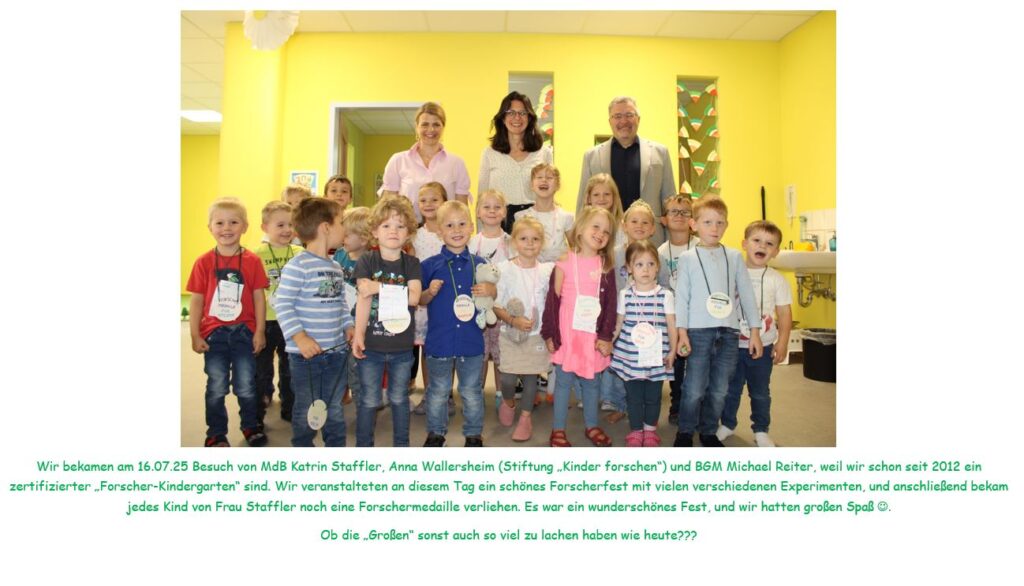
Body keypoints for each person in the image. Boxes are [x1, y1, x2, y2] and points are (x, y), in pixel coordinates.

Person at [674, 195, 762, 447]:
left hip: (729, 332)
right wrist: (682, 332)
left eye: (720, 222)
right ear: (694, 224)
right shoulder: (688, 258)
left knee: (720, 388)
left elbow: (746, 294)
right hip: (698, 332)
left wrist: (755, 331)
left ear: (726, 225)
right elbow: (682, 297)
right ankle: (685, 431)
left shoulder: (734, 257)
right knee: (694, 387)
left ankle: (709, 431)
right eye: (707, 222)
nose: (714, 228)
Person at [187, 197, 269, 448]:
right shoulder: (203, 262)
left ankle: (250, 425)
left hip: (245, 333)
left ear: (245, 226)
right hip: (214, 334)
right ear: (210, 227)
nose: (226, 228)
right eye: (219, 223)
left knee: (246, 385)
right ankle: (216, 433)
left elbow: (259, 297)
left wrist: (260, 331)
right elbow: (197, 301)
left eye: (233, 222)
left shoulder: (253, 261)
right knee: (216, 386)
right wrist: (195, 334)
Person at [273, 198, 354, 447]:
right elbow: (282, 304)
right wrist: (300, 337)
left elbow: (340, 302)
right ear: (326, 227)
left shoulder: (336, 267)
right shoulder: (298, 266)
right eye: (341, 222)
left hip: (336, 351)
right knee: (307, 408)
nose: (345, 229)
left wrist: (348, 325)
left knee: (334, 406)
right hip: (305, 356)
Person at [418, 201, 497, 447]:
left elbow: (492, 294)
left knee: (472, 391)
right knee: (437, 391)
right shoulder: (429, 265)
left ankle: (473, 434)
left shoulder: (481, 264)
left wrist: (490, 290)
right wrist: (429, 292)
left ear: (472, 227)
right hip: (439, 341)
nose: (456, 230)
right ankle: (436, 433)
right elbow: (419, 299)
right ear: (439, 230)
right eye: (449, 225)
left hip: (471, 342)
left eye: (462, 224)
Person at [541, 207, 618, 447]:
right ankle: (558, 429)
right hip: (568, 332)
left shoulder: (606, 265)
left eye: (606, 231)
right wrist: (549, 333)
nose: (601, 233)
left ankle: (592, 425)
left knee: (592, 382)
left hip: (593, 334)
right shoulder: (564, 261)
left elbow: (611, 303)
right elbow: (552, 300)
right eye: (596, 226)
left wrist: (606, 336)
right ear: (581, 228)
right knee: (563, 382)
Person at [351, 196, 422, 447]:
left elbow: (414, 298)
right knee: (369, 400)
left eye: (400, 226)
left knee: (399, 399)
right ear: (374, 231)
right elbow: (363, 299)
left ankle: (401, 446)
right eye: (386, 225)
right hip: (371, 346)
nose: (393, 231)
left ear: (409, 233)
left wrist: (378, 287)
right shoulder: (367, 261)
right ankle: (364, 448)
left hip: (401, 347)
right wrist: (358, 334)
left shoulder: (411, 263)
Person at [717, 221, 793, 448]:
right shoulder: (731, 273)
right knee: (730, 390)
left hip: (764, 346)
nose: (762, 246)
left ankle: (761, 429)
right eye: (757, 240)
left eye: (769, 244)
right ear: (744, 244)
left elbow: (784, 313)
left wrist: (782, 342)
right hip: (732, 345)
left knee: (760, 392)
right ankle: (727, 424)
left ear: (776, 251)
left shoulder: (776, 279)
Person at [577, 96, 676, 245]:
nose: (624, 121)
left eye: (629, 115)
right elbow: (583, 203)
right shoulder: (592, 156)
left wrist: (671, 243)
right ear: (610, 121)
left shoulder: (660, 153)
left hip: (650, 240)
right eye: (617, 116)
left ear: (638, 119)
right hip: (605, 239)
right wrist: (580, 242)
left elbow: (669, 200)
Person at [610, 240, 677, 447]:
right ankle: (636, 431)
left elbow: (672, 325)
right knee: (634, 397)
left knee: (653, 397)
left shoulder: (666, 295)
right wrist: (609, 342)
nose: (645, 269)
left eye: (650, 264)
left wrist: (673, 351)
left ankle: (650, 431)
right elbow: (618, 323)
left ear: (658, 267)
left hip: (656, 358)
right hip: (630, 358)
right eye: (639, 264)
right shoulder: (625, 295)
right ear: (629, 268)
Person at [493, 217, 554, 442]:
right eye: (524, 238)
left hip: (536, 335)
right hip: (510, 334)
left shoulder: (547, 270)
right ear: (514, 242)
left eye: (535, 239)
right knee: (508, 378)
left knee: (531, 379)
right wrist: (513, 320)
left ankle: (525, 418)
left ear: (542, 243)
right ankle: (508, 401)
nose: (530, 243)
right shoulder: (504, 269)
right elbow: (495, 305)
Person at [254, 201, 304, 424]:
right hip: (265, 320)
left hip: (292, 320)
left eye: (291, 225)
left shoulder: (300, 253)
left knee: (290, 367)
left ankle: (289, 406)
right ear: (265, 227)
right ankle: (259, 406)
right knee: (261, 368)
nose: (287, 230)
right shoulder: (256, 255)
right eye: (280, 225)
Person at [380, 101, 470, 221]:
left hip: (447, 231)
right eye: (425, 124)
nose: (431, 129)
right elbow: (387, 208)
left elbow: (462, 211)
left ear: (443, 128)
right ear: (417, 127)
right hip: (407, 230)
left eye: (436, 124)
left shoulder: (457, 163)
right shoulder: (398, 161)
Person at [478, 91, 554, 233]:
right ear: (503, 117)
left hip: (535, 226)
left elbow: (549, 195)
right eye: (511, 112)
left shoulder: (544, 153)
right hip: (499, 225)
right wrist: (481, 235)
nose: (517, 117)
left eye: (522, 113)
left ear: (529, 118)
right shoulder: (489, 153)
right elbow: (482, 198)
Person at [657, 194, 700, 424]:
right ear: (664, 219)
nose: (680, 216)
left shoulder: (701, 246)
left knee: (699, 362)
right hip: (673, 317)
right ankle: (677, 404)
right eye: (674, 211)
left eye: (685, 212)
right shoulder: (660, 252)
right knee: (677, 362)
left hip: (698, 316)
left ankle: (699, 405)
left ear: (693, 220)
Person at [468, 189, 513, 402]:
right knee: (480, 352)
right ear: (478, 212)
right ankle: (477, 393)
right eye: (486, 207)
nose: (492, 211)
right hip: (478, 309)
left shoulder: (511, 242)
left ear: (504, 212)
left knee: (501, 353)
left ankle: (501, 395)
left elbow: (516, 274)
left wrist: (497, 290)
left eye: (497, 207)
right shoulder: (471, 242)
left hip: (502, 308)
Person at [410, 182, 449, 415]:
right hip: (424, 301)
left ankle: (447, 395)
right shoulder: (415, 236)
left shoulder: (451, 231)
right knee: (427, 349)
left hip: (447, 300)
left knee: (446, 349)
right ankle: (429, 394)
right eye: (423, 200)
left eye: (435, 199)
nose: (428, 204)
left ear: (445, 202)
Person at [333, 206, 371, 406]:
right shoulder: (339, 255)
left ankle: (361, 402)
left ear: (363, 239)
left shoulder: (370, 261)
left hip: (359, 321)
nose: (342, 237)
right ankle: (341, 393)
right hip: (339, 318)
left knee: (356, 364)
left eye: (347, 234)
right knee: (338, 360)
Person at [514, 163, 574, 263]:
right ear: (532, 185)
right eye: (539, 177)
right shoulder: (521, 217)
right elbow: (516, 250)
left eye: (549, 178)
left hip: (559, 270)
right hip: (531, 270)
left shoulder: (566, 217)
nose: (544, 180)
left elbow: (575, 249)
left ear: (557, 185)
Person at [582, 173, 626, 249]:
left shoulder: (623, 227)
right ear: (589, 198)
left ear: (614, 197)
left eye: (607, 194)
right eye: (596, 195)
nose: (601, 198)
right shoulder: (581, 225)